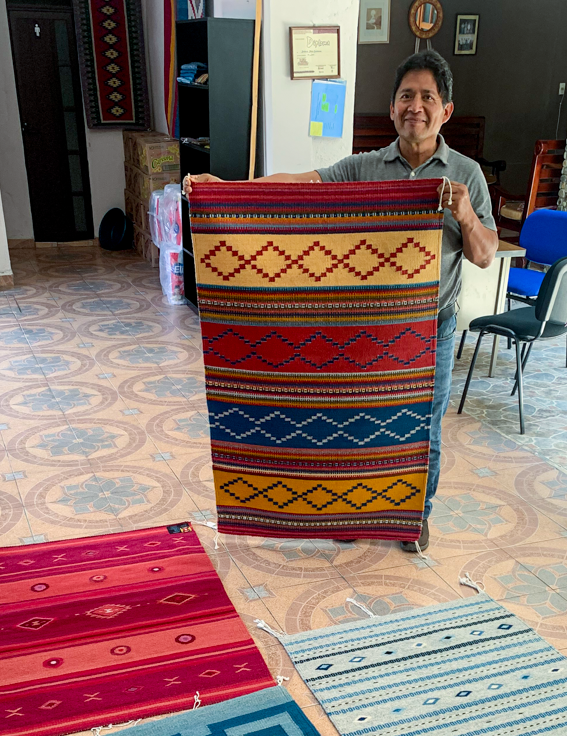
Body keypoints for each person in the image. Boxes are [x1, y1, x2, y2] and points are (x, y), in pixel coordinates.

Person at [184, 49, 498, 553]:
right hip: (366, 328)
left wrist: (463, 212)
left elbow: (485, 255)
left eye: (426, 97)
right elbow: (302, 186)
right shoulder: (367, 167)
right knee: (356, 420)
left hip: (429, 328)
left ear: (446, 110)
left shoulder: (466, 175)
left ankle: (415, 519)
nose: (415, 106)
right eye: (405, 97)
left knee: (422, 429)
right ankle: (356, 512)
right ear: (392, 107)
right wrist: (229, 189)